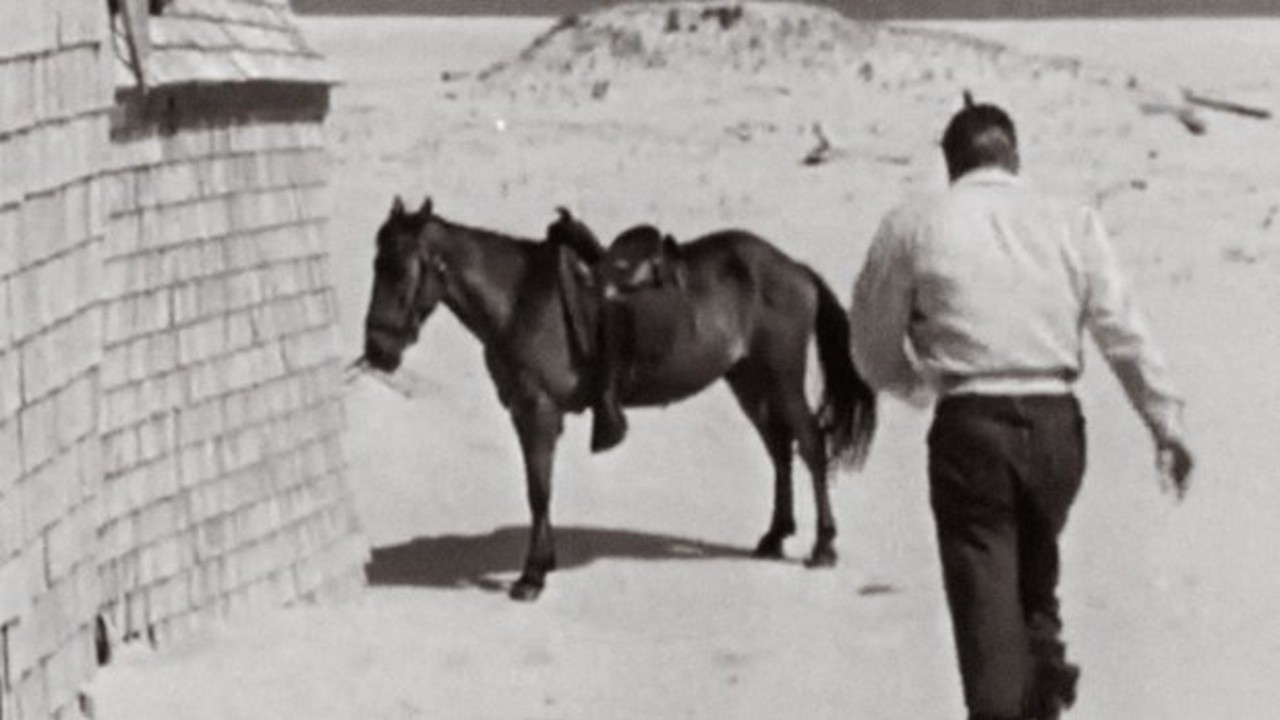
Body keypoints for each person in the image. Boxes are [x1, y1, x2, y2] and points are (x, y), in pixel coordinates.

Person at [848, 94, 1194, 720]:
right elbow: (1123, 329)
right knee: (1033, 580)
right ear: (1014, 157)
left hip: (973, 428)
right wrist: (1165, 423)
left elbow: (870, 349)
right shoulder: (1070, 220)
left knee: (986, 614)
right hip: (1059, 429)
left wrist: (917, 385)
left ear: (951, 165)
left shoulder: (914, 223)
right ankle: (1044, 688)